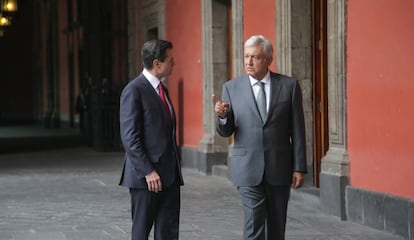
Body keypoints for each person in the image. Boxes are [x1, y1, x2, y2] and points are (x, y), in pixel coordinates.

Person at [214, 35, 307, 240]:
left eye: (254, 57)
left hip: (279, 167)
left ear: (268, 59)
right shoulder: (231, 87)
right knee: (253, 226)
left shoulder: (289, 86)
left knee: (276, 228)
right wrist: (222, 116)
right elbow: (226, 131)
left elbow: (298, 130)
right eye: (246, 56)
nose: (248, 62)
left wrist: (299, 167)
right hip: (247, 168)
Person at [119, 39, 184, 240]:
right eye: (170, 60)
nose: (174, 64)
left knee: (168, 232)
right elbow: (130, 137)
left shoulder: (162, 89)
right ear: (157, 64)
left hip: (169, 175)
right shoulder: (134, 90)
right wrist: (148, 171)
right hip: (145, 178)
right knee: (141, 232)